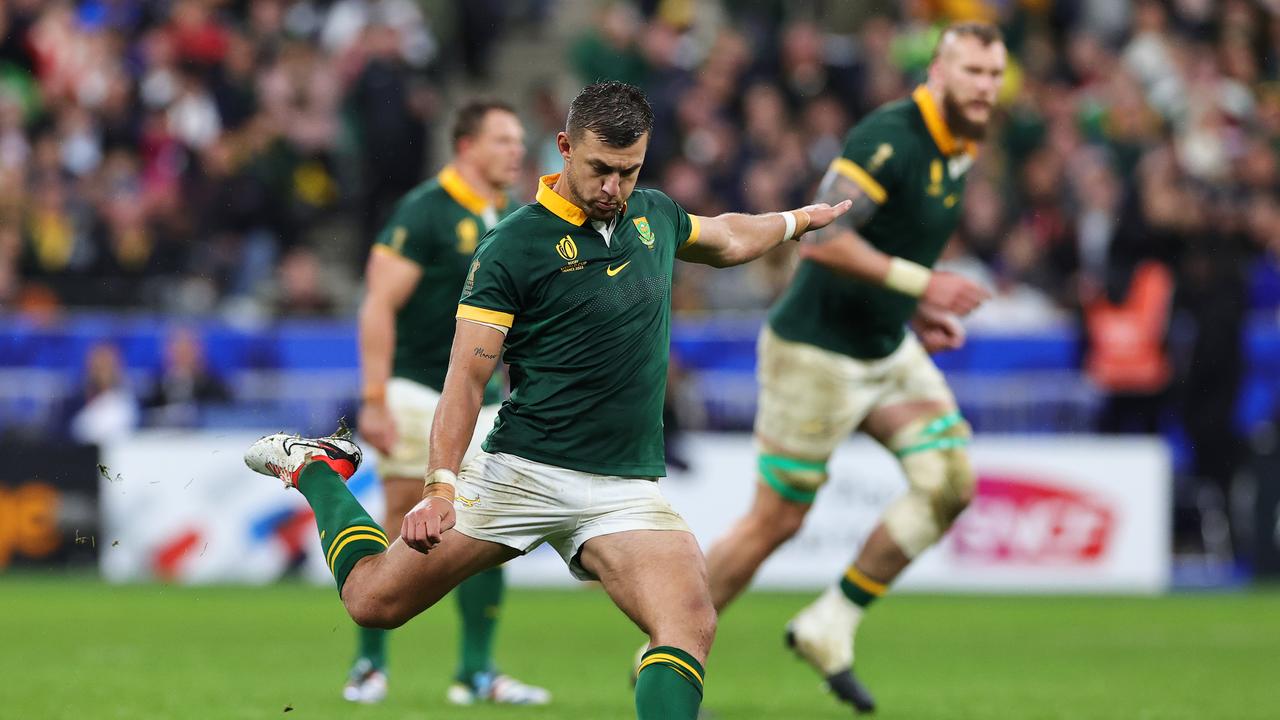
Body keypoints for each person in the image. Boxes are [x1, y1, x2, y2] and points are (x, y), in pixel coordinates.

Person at [244, 80, 850, 720]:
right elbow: (466, 380)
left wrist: (794, 222)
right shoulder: (514, 245)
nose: (613, 188)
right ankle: (314, 468)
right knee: (373, 602)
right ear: (564, 147)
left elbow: (727, 237)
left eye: (628, 171)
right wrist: (441, 486)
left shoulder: (654, 215)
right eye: (599, 170)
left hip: (624, 487)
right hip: (522, 473)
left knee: (690, 621)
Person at [701, 23, 1005, 713]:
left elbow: (896, 241)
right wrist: (922, 284)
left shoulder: (963, 141)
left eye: (994, 74)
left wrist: (913, 304)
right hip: (814, 352)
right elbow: (824, 237)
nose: (986, 88)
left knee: (950, 480)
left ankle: (829, 624)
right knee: (774, 523)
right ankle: (666, 653)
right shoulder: (890, 135)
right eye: (973, 73)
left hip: (884, 344)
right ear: (938, 70)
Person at [348, 99, 549, 706]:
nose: (516, 151)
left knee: (485, 531)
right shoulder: (425, 211)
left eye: (518, 141)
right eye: (502, 140)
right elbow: (378, 303)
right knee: (402, 521)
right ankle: (369, 665)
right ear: (466, 146)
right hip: (416, 390)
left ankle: (476, 671)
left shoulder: (512, 216)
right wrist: (375, 397)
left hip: (484, 400)